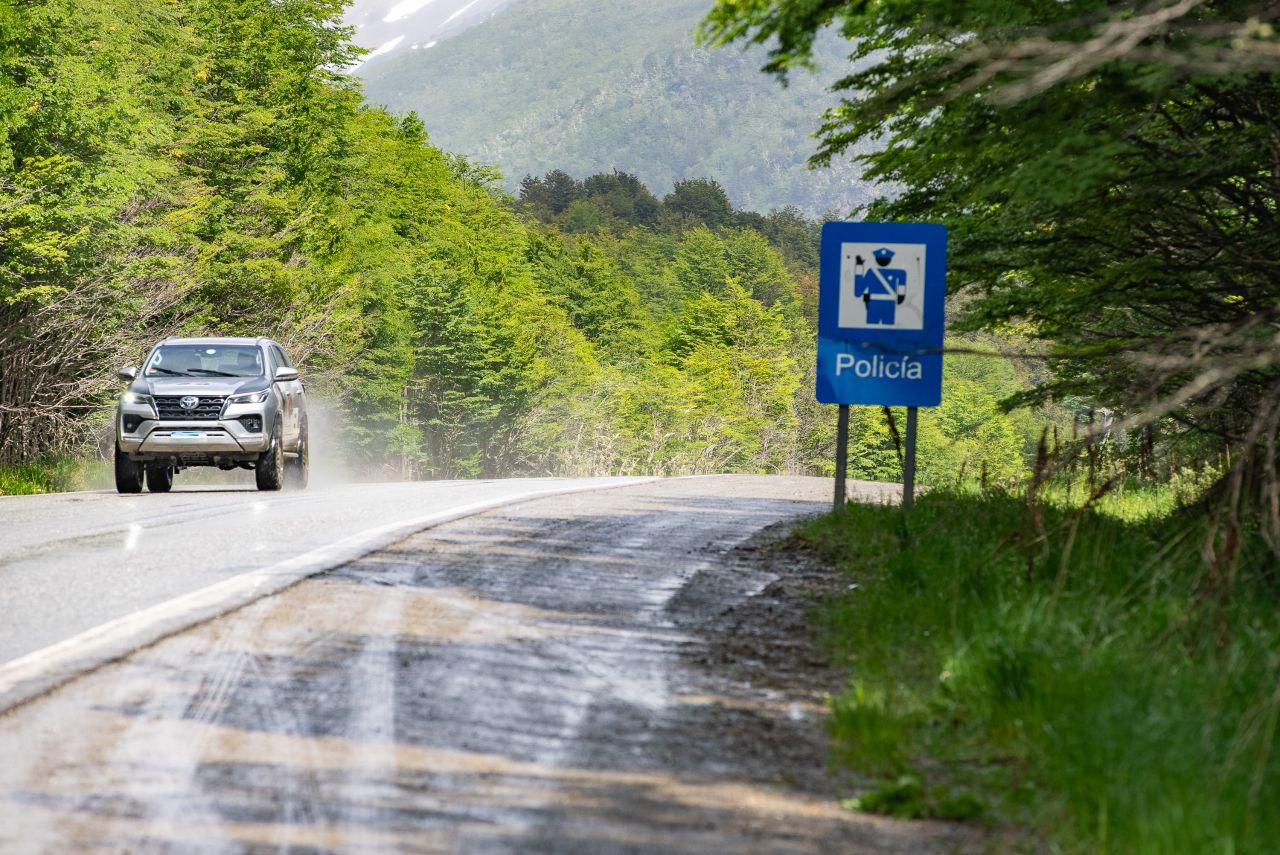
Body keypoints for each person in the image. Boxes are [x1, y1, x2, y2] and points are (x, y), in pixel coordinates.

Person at [853, 247, 907, 325]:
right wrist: (901, 294)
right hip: (889, 305)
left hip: (873, 305)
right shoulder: (898, 273)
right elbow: (903, 274)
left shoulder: (871, 273)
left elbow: (858, 292)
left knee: (871, 330)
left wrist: (859, 267)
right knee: (889, 331)